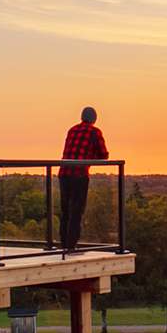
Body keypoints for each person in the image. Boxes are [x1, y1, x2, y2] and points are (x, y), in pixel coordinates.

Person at [59, 107, 108, 251]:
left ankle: (64, 244)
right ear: (94, 119)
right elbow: (103, 155)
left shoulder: (72, 130)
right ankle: (71, 245)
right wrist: (90, 158)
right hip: (79, 174)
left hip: (64, 173)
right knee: (76, 210)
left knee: (65, 211)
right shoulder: (95, 132)